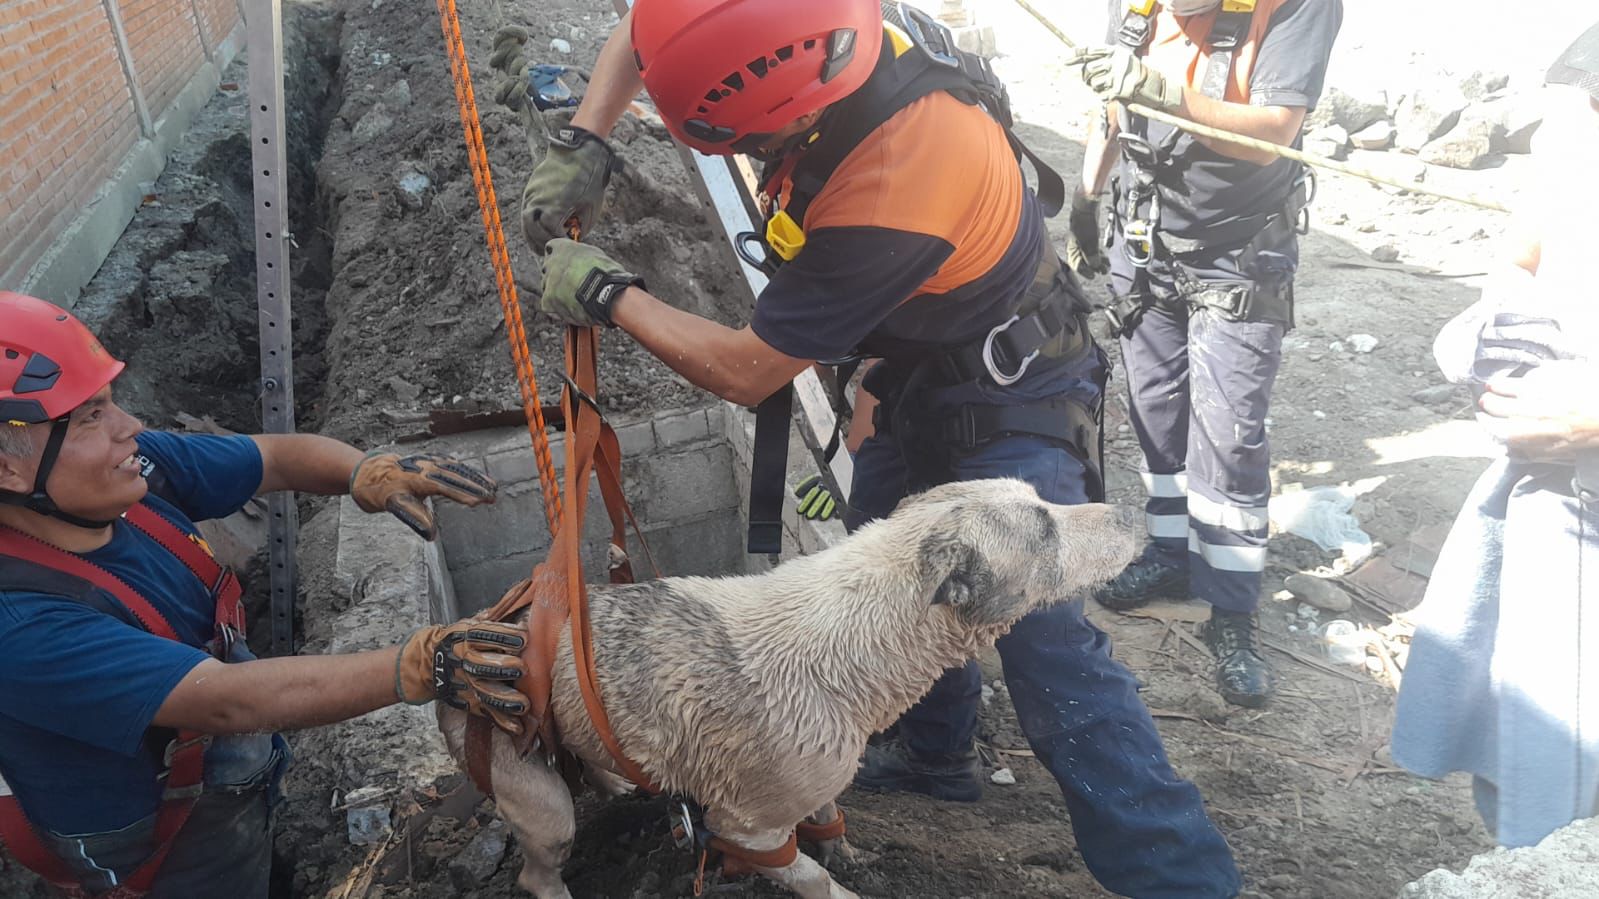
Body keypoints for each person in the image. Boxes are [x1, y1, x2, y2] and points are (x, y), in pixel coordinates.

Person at [498, 1, 1240, 894]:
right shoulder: (813, 21)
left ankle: (1177, 875)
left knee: (1044, 639)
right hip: (916, 364)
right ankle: (935, 756)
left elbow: (746, 371)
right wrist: (586, 140)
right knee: (893, 586)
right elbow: (656, 32)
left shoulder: (897, 177)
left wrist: (610, 294)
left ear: (792, 107)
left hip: (1015, 386)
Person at [0, 291, 529, 897]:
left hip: (219, 777)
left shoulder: (126, 474)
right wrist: (421, 663)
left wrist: (365, 472)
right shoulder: (20, 619)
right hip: (152, 845)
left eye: (111, 401)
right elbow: (227, 703)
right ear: (7, 469)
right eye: (90, 416)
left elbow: (273, 459)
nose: (131, 428)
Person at [1066, 0, 1343, 708]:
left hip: (1237, 252)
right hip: (1145, 236)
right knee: (1155, 410)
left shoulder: (1294, 6)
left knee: (1228, 435)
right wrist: (1087, 195)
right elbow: (1113, 102)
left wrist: (1161, 91)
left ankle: (1230, 606)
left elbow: (1273, 134)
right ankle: (1171, 552)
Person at [1390, 23, 1599, 849]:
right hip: (1559, 513)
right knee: (1533, 778)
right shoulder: (1578, 115)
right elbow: (1522, 253)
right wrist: (1502, 342)